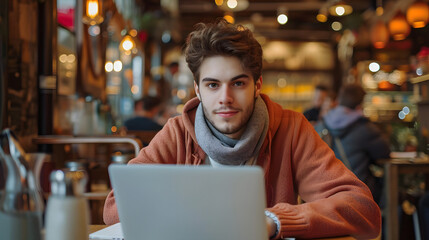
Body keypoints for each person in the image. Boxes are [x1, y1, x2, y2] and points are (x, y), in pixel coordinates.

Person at [104, 20, 381, 239]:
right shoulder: (178, 132)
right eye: (213, 85)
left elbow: (362, 209)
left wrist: (274, 221)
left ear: (257, 85)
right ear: (198, 90)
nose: (225, 97)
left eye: (238, 83)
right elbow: (115, 208)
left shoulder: (291, 128)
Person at [314, 83, 391, 206]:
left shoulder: (321, 125)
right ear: (360, 105)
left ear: (339, 100)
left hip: (324, 194)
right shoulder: (365, 128)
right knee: (392, 195)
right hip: (357, 193)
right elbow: (384, 153)